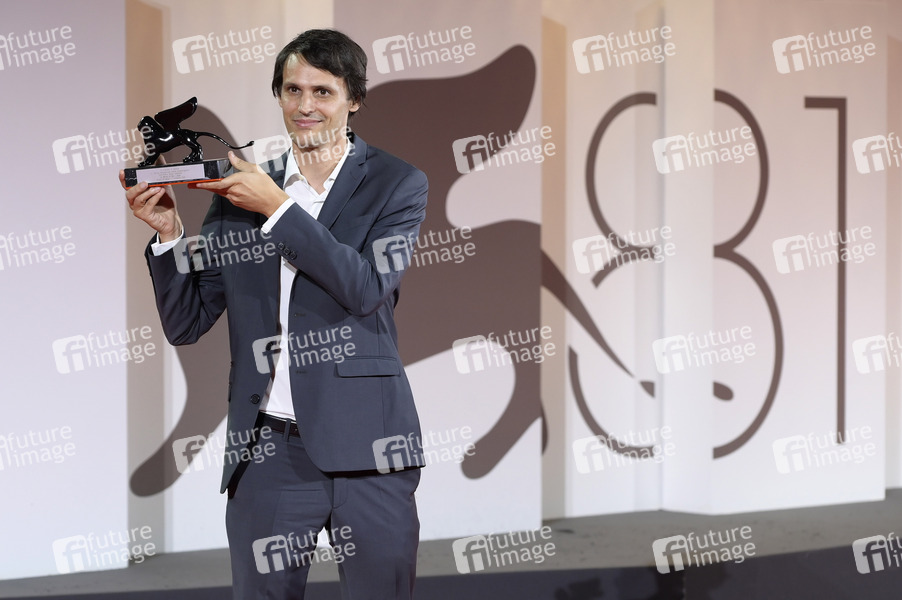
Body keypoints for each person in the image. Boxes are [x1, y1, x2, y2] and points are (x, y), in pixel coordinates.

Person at [120, 28, 427, 599]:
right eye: (292, 90)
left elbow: (366, 288)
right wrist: (169, 235)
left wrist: (279, 208)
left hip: (370, 448)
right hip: (268, 452)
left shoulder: (397, 183)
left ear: (354, 99)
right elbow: (187, 323)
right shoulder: (239, 193)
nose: (305, 105)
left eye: (323, 91)